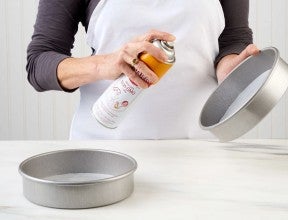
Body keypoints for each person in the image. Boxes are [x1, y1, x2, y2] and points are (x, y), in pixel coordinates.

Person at [26, 0, 259, 140]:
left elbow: (233, 37)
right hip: (105, 150)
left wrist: (230, 68)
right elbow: (39, 62)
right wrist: (105, 63)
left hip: (200, 146)